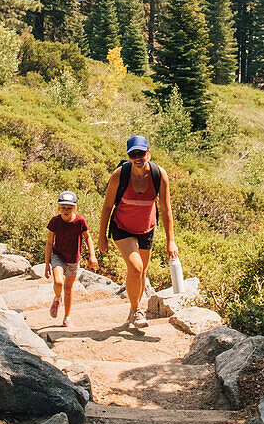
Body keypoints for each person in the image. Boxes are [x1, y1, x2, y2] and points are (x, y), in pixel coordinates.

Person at [98, 135, 178, 330]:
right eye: (133, 154)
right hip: (122, 227)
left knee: (141, 272)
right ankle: (136, 310)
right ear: (128, 155)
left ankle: (134, 309)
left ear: (148, 153)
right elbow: (108, 206)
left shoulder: (159, 175)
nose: (137, 157)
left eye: (141, 153)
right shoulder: (119, 175)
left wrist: (171, 241)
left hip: (146, 229)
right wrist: (101, 236)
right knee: (135, 268)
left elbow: (166, 209)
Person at [44, 190, 98, 327]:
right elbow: (50, 242)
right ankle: (57, 298)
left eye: (69, 208)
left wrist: (92, 255)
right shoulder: (55, 221)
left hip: (73, 259)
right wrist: (46, 264)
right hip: (58, 256)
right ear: (59, 208)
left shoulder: (80, 221)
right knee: (58, 282)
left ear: (74, 208)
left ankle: (67, 318)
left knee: (68, 289)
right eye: (63, 208)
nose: (65, 210)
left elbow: (88, 237)